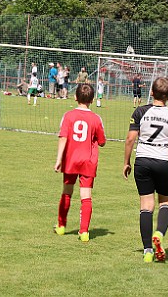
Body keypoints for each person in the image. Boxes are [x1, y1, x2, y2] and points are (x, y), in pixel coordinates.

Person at [123, 77, 168, 263]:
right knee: (165, 202)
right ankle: (159, 233)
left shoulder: (141, 111)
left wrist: (126, 162)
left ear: (151, 92)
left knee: (146, 205)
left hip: (142, 160)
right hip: (163, 161)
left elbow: (130, 139)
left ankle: (148, 250)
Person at [53, 83, 106, 242]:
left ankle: (61, 227)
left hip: (71, 159)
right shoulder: (96, 118)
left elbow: (63, 137)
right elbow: (102, 142)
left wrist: (58, 160)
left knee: (67, 191)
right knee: (86, 195)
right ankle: (84, 232)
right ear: (92, 99)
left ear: (75, 97)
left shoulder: (68, 116)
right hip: (88, 161)